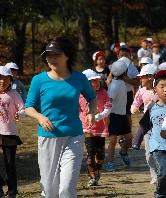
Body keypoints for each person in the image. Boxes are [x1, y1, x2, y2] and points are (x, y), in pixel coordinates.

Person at [25, 36, 97, 197]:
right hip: (48, 137)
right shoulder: (39, 80)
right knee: (49, 190)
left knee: (66, 189)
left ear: (67, 55)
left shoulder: (79, 78)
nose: (52, 59)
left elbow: (92, 98)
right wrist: (40, 117)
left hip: (74, 136)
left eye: (56, 54)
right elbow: (28, 107)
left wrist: (91, 112)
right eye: (49, 55)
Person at [139, 70, 166, 197]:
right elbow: (143, 125)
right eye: (162, 87)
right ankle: (159, 195)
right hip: (158, 146)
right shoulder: (151, 108)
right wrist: (136, 141)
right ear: (155, 89)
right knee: (165, 171)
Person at [79, 69, 112, 187]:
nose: (97, 82)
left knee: (100, 156)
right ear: (87, 83)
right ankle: (92, 177)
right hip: (87, 128)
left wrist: (100, 116)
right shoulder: (81, 95)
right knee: (90, 154)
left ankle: (97, 171)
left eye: (97, 80)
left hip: (101, 128)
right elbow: (77, 109)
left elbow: (109, 107)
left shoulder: (103, 93)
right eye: (93, 81)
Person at [130, 64, 158, 184]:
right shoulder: (141, 91)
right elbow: (135, 104)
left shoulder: (161, 88)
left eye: (142, 77)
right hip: (147, 125)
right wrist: (134, 109)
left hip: (160, 125)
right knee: (148, 154)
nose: (140, 79)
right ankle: (154, 175)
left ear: (151, 77)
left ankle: (163, 173)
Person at [0, 66, 25, 198]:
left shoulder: (14, 94)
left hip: (9, 133)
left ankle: (12, 191)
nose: (2, 81)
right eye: (0, 79)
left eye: (5, 79)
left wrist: (19, 114)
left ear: (10, 80)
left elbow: (23, 109)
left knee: (9, 163)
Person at [105, 60, 132, 171]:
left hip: (123, 115)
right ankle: (109, 162)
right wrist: (106, 115)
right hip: (114, 116)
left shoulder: (121, 83)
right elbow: (109, 100)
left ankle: (123, 152)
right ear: (124, 72)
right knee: (113, 140)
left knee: (129, 138)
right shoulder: (114, 85)